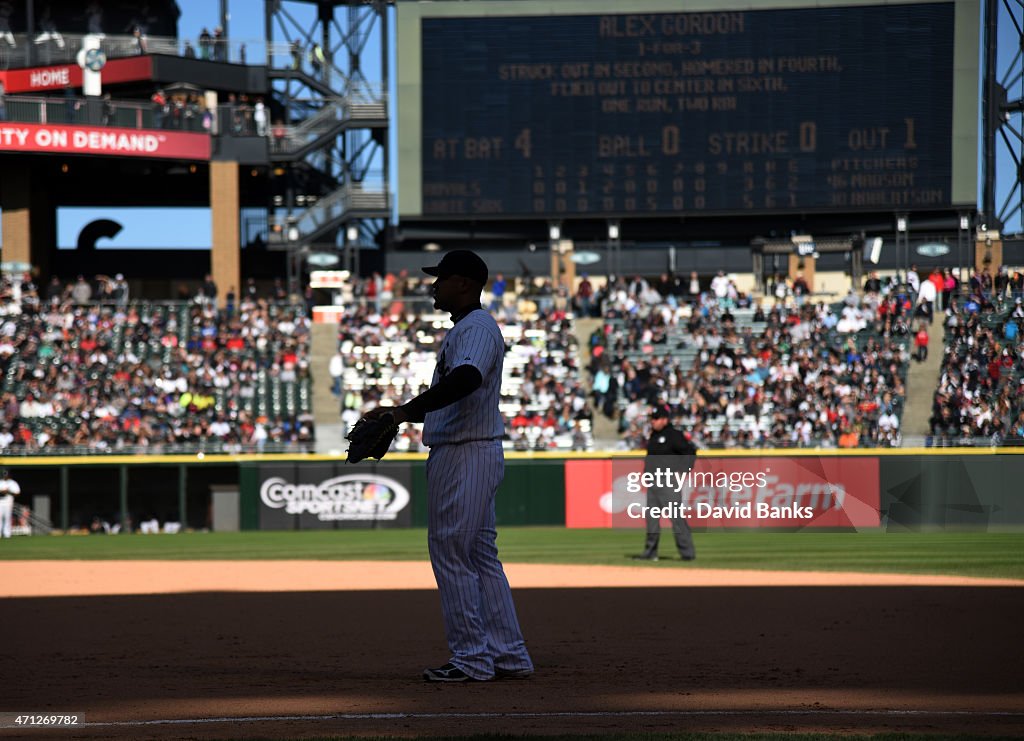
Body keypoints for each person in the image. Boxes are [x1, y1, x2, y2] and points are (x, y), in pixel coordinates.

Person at [361, 249, 533, 682]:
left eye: (441, 278)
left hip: (465, 453)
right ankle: (508, 655)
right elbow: (457, 389)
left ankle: (473, 659)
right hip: (471, 449)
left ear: (464, 283)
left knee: (452, 553)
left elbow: (467, 379)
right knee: (479, 555)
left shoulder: (475, 326)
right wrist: (401, 409)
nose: (433, 285)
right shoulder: (469, 328)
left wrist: (401, 414)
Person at [632, 404, 697, 562]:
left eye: (656, 418)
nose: (653, 421)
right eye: (652, 418)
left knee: (676, 518)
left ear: (664, 419)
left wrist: (682, 471)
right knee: (652, 520)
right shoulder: (654, 435)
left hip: (668, 481)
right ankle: (650, 552)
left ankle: (687, 553)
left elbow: (689, 452)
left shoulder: (673, 435)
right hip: (653, 482)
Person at [0, 469, 21, 539]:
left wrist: (8, 491)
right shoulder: (1, 482)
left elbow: (17, 493)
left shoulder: (12, 483)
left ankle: (7, 534)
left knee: (7, 518)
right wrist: (2, 492)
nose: (5, 476)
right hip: (0, 502)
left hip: (8, 503)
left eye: (6, 474)